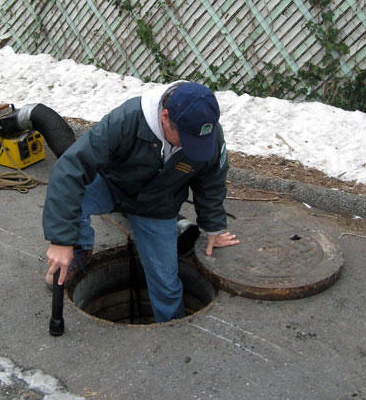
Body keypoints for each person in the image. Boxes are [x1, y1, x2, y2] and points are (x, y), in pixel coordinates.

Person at [42, 81, 239, 323]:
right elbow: (69, 169)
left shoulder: (208, 134)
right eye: (185, 139)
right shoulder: (126, 119)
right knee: (73, 199)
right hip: (111, 185)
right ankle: (80, 249)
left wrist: (214, 227)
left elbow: (211, 182)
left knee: (166, 285)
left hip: (157, 206)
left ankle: (170, 334)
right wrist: (62, 239)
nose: (191, 148)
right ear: (165, 116)